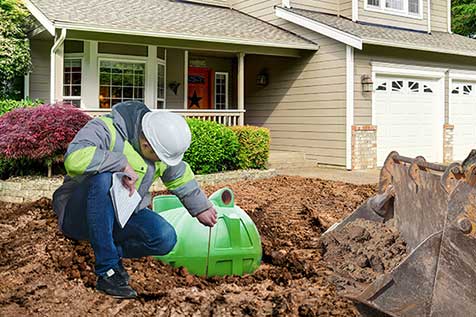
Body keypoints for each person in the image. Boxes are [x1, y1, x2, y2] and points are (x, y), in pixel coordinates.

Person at [52, 101, 217, 299]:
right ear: (146, 144)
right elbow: (74, 158)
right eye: (160, 157)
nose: (162, 163)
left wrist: (201, 208)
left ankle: (107, 248)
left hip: (122, 214)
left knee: (165, 238)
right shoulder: (105, 129)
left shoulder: (158, 145)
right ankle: (108, 270)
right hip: (78, 214)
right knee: (104, 178)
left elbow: (179, 175)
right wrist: (119, 163)